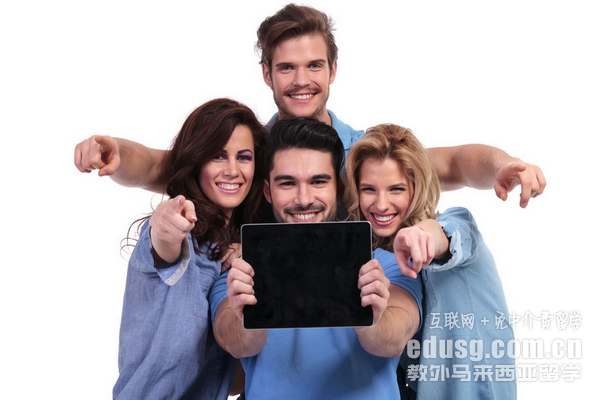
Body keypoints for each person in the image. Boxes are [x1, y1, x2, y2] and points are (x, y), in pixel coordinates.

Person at [73, 4, 546, 208]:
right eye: (286, 68)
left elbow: (454, 163)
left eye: (314, 66)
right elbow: (162, 166)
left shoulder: (363, 151)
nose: (301, 81)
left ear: (333, 69)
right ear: (266, 74)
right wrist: (115, 151)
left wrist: (503, 165)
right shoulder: (246, 154)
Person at [209, 117, 423, 400]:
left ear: (339, 189)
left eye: (318, 182)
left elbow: (395, 337)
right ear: (267, 191)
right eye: (287, 183)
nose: (304, 199)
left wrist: (370, 319)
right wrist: (248, 314)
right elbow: (232, 340)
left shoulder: (386, 265)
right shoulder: (238, 274)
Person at [343, 123, 516, 399]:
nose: (382, 204)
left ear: (416, 188)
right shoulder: (375, 260)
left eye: (396, 189)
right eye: (369, 189)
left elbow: (442, 237)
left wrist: (421, 235)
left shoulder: (456, 223)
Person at [114, 98, 268, 399]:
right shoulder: (182, 232)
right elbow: (165, 243)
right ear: (197, 161)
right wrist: (164, 223)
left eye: (244, 157)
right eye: (218, 156)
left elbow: (233, 381)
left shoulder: (238, 248)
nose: (232, 170)